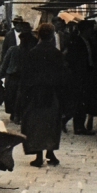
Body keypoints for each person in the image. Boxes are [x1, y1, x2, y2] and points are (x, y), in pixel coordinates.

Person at [18, 23, 67, 167]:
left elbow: (25, 77)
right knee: (51, 123)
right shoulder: (57, 54)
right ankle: (51, 153)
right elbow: (63, 77)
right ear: (52, 36)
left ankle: (38, 156)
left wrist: (22, 98)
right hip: (52, 94)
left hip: (35, 94)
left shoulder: (32, 53)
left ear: (39, 35)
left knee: (36, 124)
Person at [0, 31, 36, 124]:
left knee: (16, 97)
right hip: (15, 76)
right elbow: (5, 64)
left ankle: (16, 115)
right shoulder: (24, 51)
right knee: (13, 96)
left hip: (16, 76)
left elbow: (5, 64)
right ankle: (15, 114)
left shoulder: (14, 50)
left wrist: (0, 77)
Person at [65, 20, 97, 135]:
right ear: (85, 30)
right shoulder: (77, 42)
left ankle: (73, 123)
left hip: (87, 74)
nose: (92, 31)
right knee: (79, 101)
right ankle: (78, 126)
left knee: (82, 101)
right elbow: (72, 59)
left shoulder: (88, 41)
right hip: (78, 76)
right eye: (90, 29)